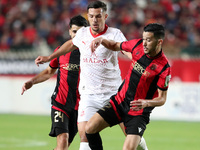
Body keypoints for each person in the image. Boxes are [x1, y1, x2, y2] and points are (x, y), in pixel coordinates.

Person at [34, 1, 148, 150]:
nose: (94, 19)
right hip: (89, 95)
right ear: (88, 16)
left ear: (105, 16)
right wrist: (50, 57)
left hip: (114, 94)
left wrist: (136, 59)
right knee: (85, 134)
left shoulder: (115, 34)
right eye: (92, 16)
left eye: (98, 16)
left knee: (130, 133)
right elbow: (71, 44)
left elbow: (125, 49)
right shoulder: (82, 33)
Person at [85, 23, 171, 150]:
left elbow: (162, 99)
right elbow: (115, 45)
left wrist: (146, 103)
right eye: (144, 39)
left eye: (148, 40)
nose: (144, 43)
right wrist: (102, 40)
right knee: (90, 128)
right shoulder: (137, 45)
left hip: (138, 112)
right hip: (119, 102)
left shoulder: (163, 67)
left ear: (159, 42)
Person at [21, 15, 88, 150]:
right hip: (60, 103)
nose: (77, 35)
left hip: (81, 107)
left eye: (81, 32)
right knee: (63, 141)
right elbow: (49, 72)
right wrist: (32, 82)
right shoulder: (61, 51)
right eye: (75, 32)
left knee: (64, 146)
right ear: (70, 31)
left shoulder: (91, 54)